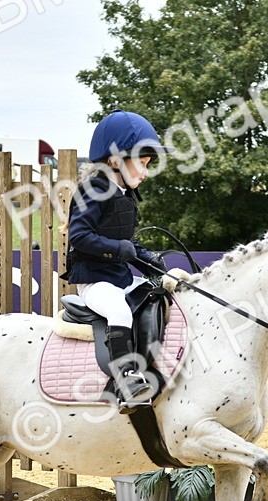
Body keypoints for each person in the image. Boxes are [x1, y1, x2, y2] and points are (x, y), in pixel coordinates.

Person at [63, 110, 171, 410]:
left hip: (119, 278)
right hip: (94, 281)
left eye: (148, 165)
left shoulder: (124, 194)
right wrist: (119, 249)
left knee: (156, 296)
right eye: (142, 164)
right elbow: (79, 237)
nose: (145, 173)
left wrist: (147, 259)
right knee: (119, 311)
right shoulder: (92, 192)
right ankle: (125, 380)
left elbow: (125, 241)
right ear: (114, 161)